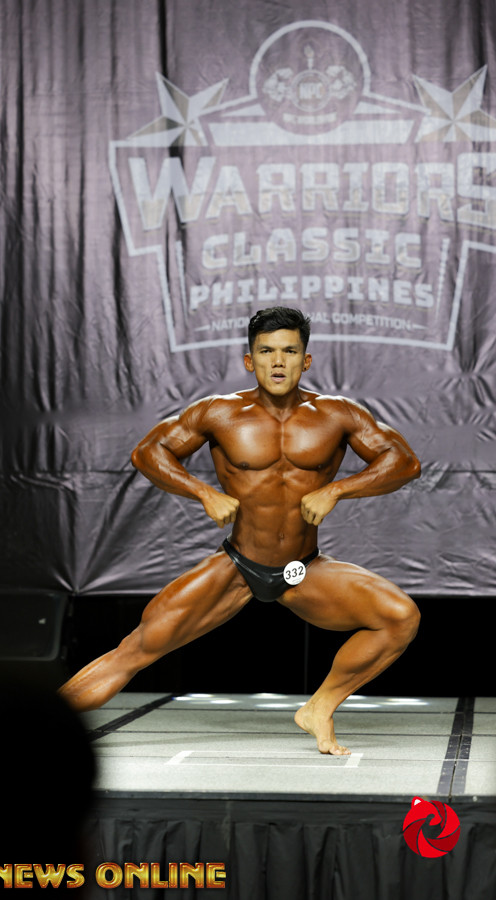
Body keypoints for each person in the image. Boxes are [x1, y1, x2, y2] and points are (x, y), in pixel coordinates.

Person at [60, 307, 421, 755]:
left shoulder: (337, 414)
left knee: (400, 618)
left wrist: (338, 490)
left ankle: (320, 706)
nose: (278, 361)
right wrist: (203, 492)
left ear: (306, 360)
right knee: (136, 649)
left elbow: (404, 462)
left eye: (290, 351)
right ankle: (32, 730)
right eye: (266, 351)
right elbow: (148, 452)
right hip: (237, 566)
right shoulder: (219, 412)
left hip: (301, 571)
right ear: (250, 361)